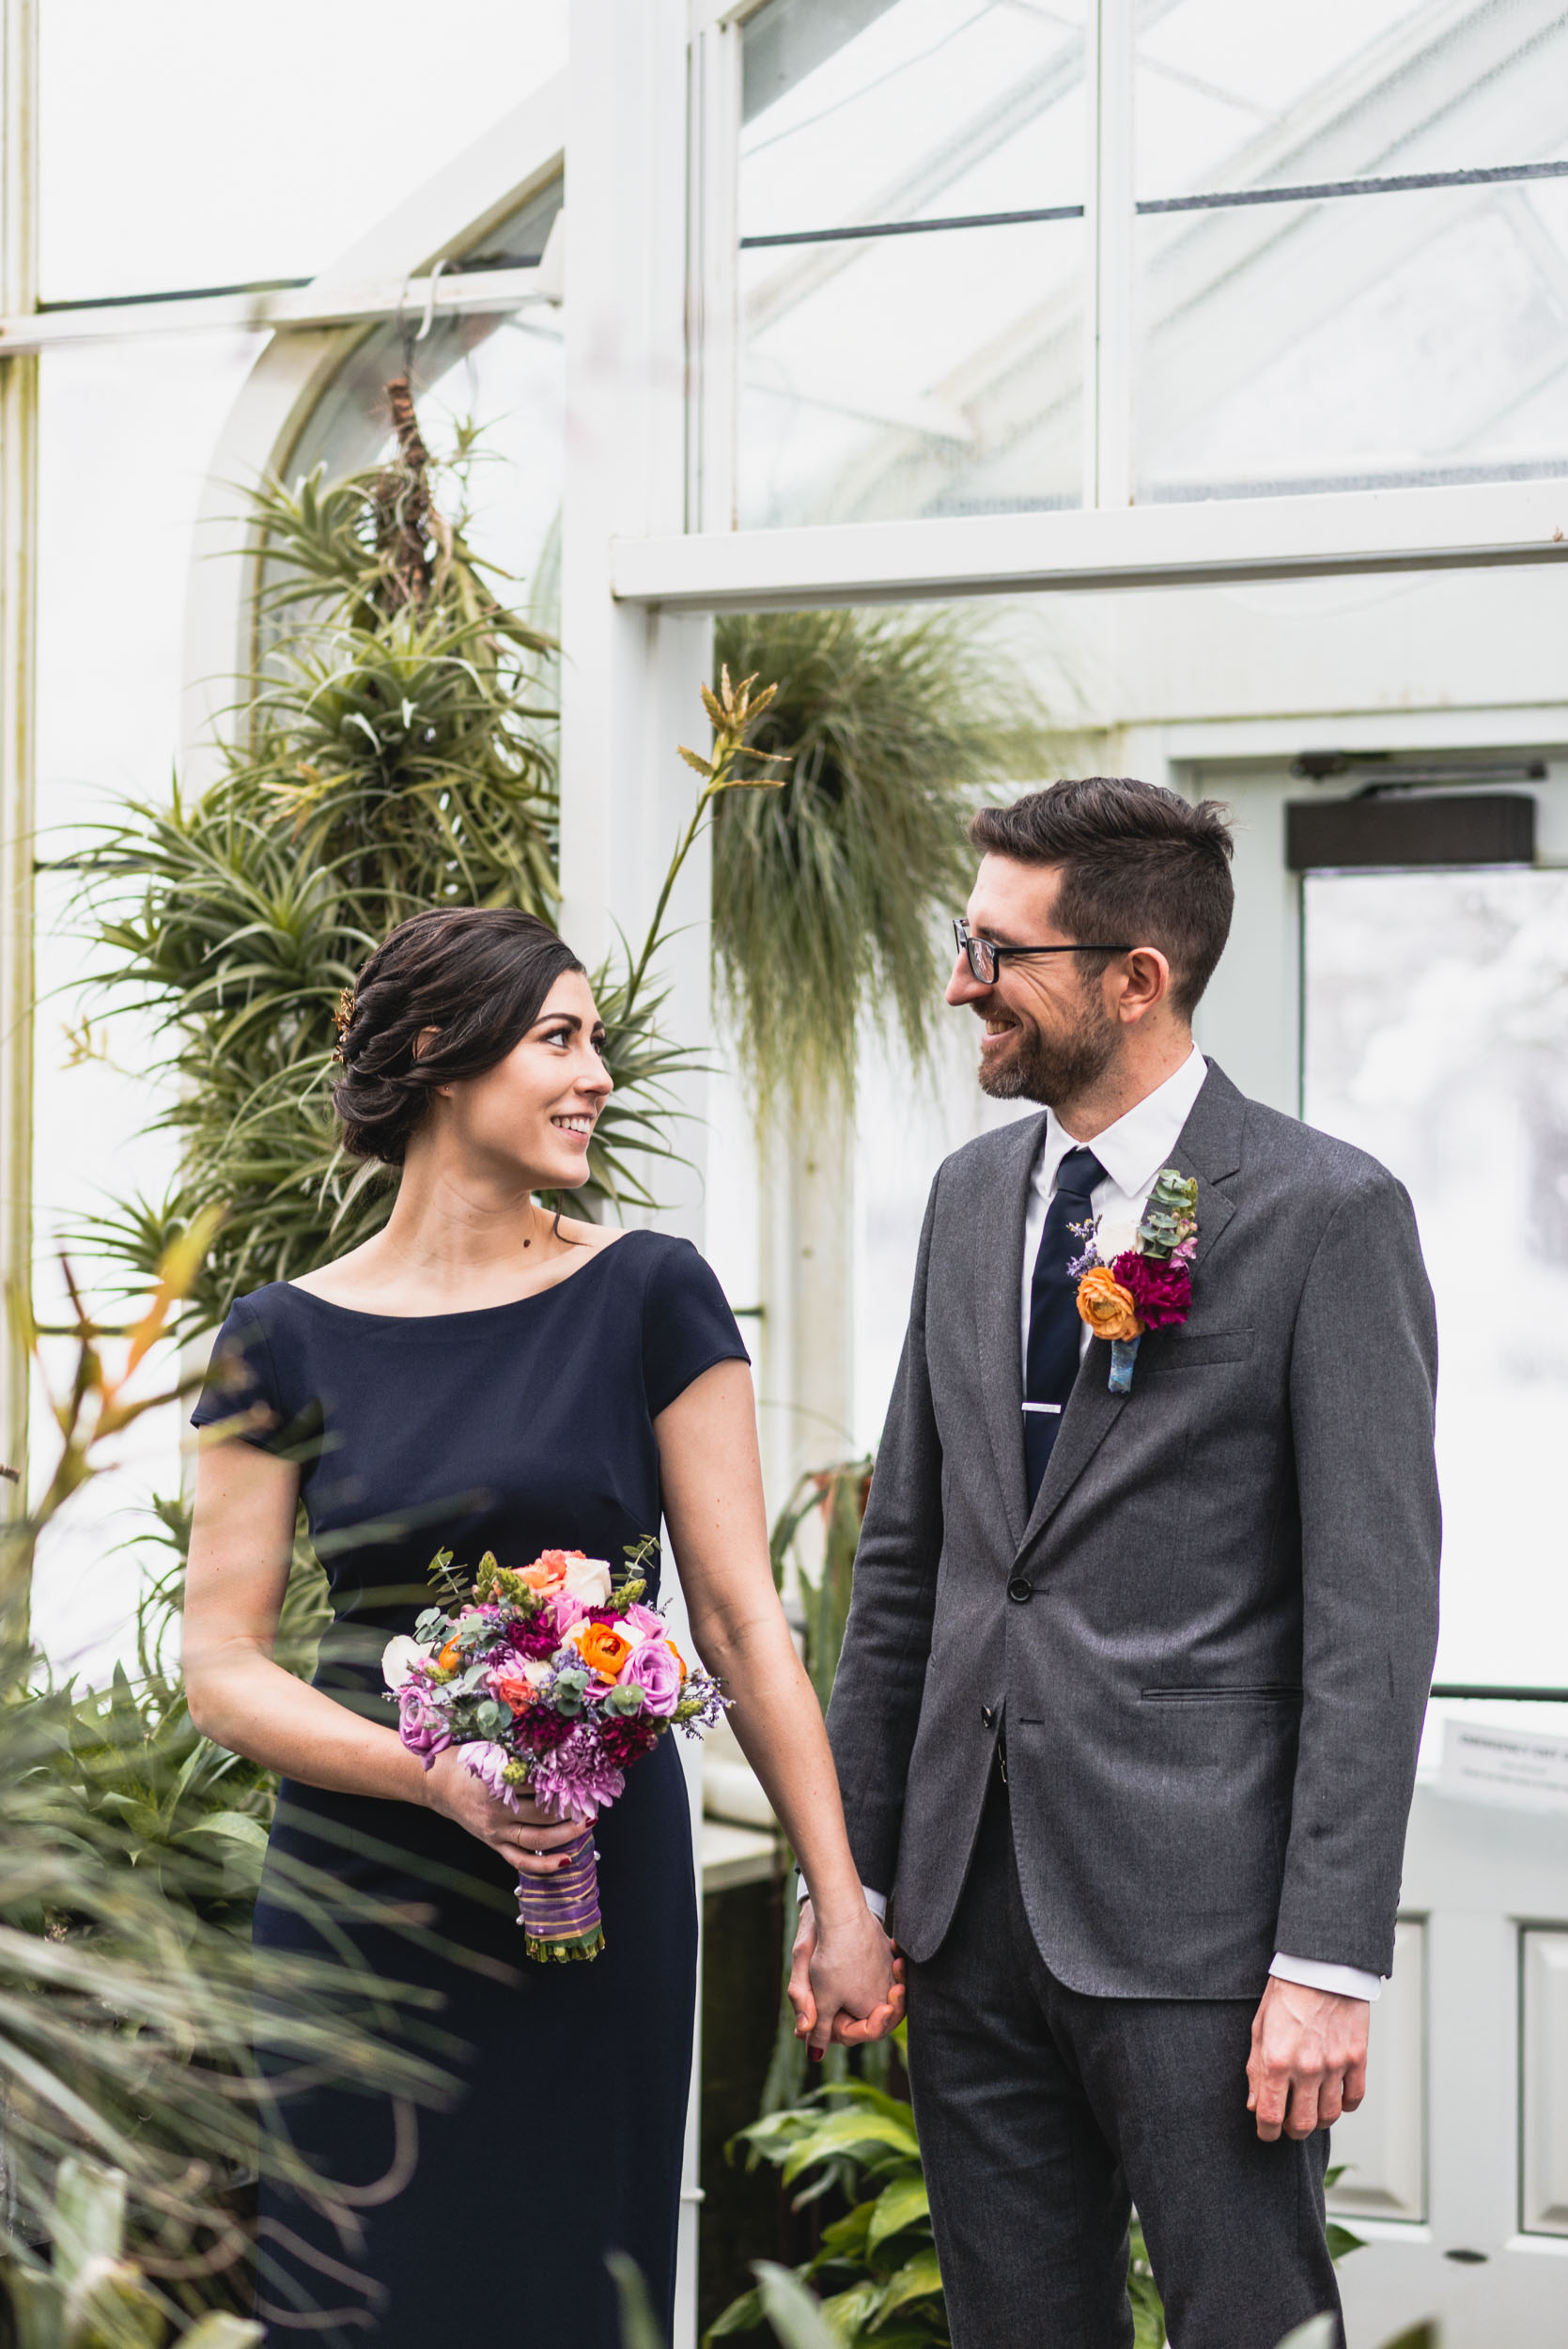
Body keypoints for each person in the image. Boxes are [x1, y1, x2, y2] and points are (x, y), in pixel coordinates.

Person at [182, 905, 900, 2347]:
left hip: (587, 1886)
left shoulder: (649, 1294)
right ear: (442, 1056)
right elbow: (221, 1664)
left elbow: (742, 1623)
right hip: (361, 1899)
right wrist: (422, 1773)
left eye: (596, 1044)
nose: (598, 1078)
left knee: (579, 2283)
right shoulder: (278, 1336)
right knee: (357, 2298)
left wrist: (840, 1898)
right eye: (559, 1040)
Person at [791, 778, 1440, 2349]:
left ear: (1132, 979)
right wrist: (860, 1883)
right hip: (964, 1914)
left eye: (995, 951)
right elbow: (912, 1568)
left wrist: (1325, 1958)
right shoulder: (963, 1204)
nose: (961, 983)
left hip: (1202, 1934)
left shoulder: (1325, 1215)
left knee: (1249, 2326)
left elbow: (1373, 1615)